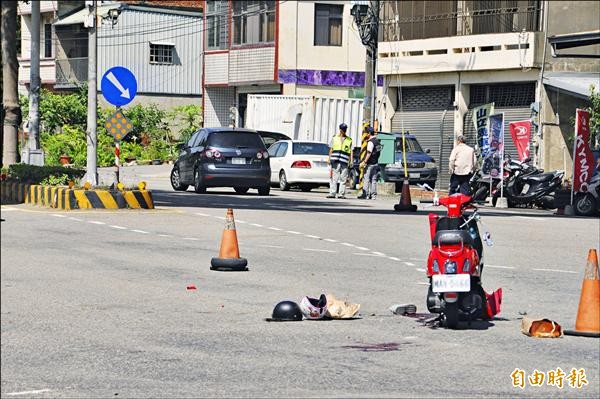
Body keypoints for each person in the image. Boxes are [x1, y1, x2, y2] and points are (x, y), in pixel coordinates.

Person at [327, 123, 353, 199]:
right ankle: (332, 193)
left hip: (344, 161)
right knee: (334, 178)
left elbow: (351, 151)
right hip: (335, 160)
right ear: (340, 129)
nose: (344, 131)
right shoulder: (334, 138)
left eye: (345, 129)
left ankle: (341, 194)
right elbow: (331, 149)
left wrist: (351, 161)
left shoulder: (349, 139)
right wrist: (329, 158)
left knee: (343, 178)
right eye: (343, 129)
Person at [357, 127, 381, 199]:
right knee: (373, 180)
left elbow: (369, 153)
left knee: (366, 179)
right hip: (376, 163)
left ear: (369, 133)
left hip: (370, 163)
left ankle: (365, 194)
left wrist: (364, 162)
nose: (365, 134)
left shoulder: (371, 142)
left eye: (366, 133)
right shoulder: (377, 141)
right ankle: (373, 195)